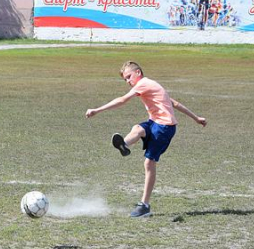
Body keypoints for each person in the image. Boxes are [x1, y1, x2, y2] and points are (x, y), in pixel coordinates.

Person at [85, 61, 207, 218]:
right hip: (155, 122)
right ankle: (124, 145)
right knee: (137, 129)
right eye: (125, 80)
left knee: (149, 163)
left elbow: (123, 100)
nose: (128, 81)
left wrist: (97, 110)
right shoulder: (151, 86)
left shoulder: (143, 84)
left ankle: (144, 206)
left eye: (129, 77)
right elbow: (174, 103)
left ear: (138, 73)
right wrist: (196, 118)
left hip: (165, 128)